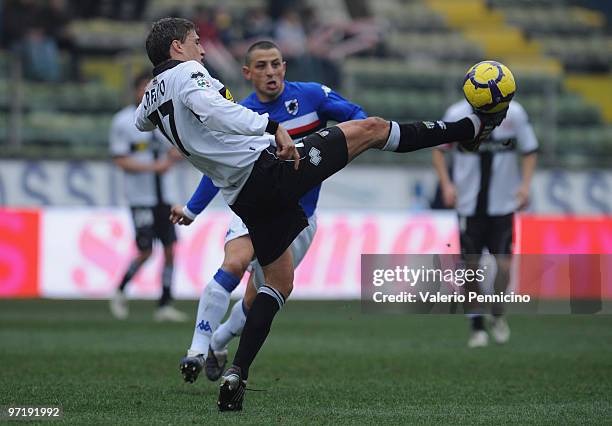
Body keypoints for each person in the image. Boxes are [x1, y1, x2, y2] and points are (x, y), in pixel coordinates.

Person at [136, 17, 504, 411]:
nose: (203, 49)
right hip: (270, 172)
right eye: (195, 42)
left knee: (277, 282)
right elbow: (214, 109)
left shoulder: (150, 99)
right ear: (177, 48)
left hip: (244, 198)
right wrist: (271, 125)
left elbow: (144, 121)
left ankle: (235, 374)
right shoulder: (189, 72)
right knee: (373, 129)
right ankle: (468, 129)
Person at [170, 40, 367, 384]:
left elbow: (358, 118)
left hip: (299, 218)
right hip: (252, 206)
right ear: (247, 73)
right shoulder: (239, 114)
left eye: (275, 64)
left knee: (256, 297)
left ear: (285, 67)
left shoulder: (311, 96)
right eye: (261, 66)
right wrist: (192, 209)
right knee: (233, 263)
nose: (270, 72)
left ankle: (219, 340)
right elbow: (217, 170)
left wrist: (333, 148)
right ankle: (197, 350)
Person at [432, 99, 538, 348]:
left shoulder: (516, 114)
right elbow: (439, 149)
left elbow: (530, 149)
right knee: (471, 267)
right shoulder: (456, 113)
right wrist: (446, 184)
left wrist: (524, 185)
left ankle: (497, 313)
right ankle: (476, 325)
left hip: (503, 207)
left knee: (503, 267)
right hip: (469, 207)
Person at [109, 71, 187, 322]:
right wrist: (155, 167)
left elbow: (181, 148)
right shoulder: (123, 121)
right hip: (141, 197)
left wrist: (177, 153)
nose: (146, 94)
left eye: (150, 89)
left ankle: (164, 304)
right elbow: (121, 160)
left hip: (166, 196)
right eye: (142, 88)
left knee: (170, 250)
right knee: (145, 251)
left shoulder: (167, 118)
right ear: (135, 91)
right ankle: (120, 290)